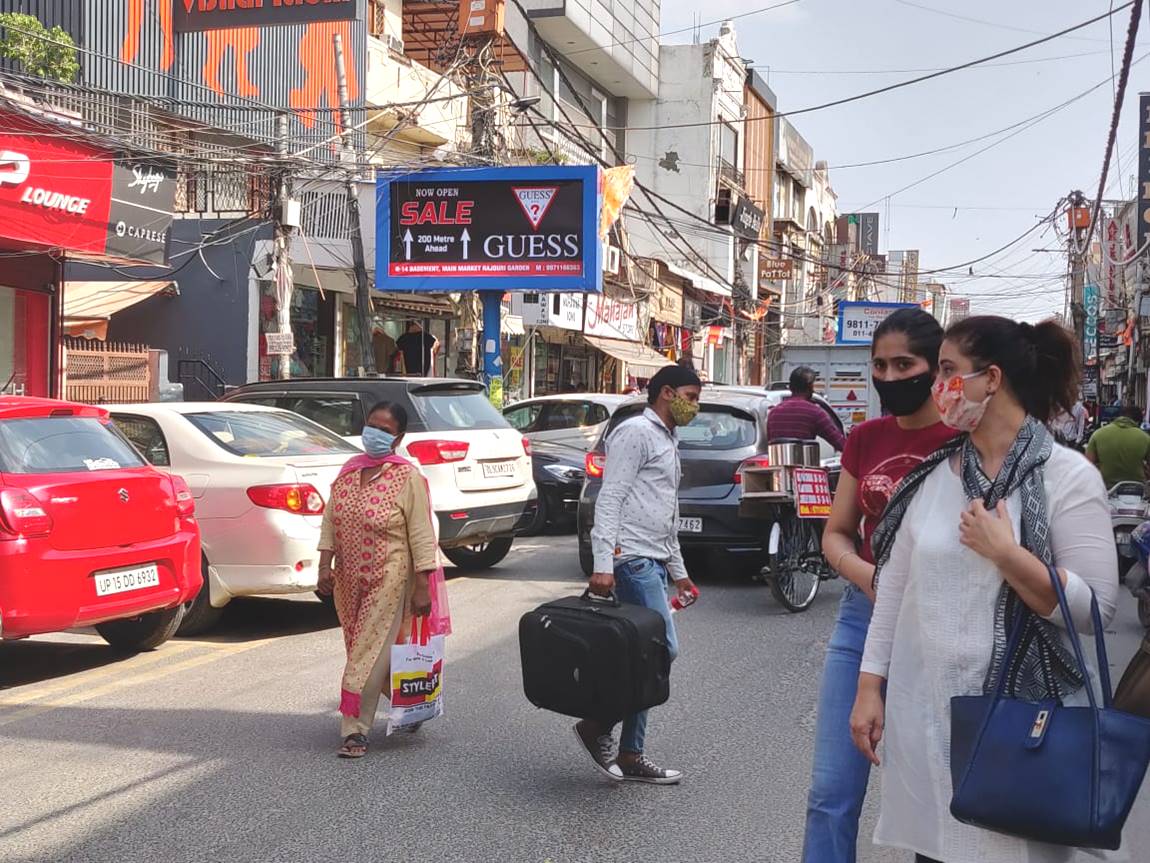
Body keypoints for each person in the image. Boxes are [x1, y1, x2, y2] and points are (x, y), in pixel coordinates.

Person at [849, 316, 1117, 863]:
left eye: (948, 370)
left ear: (991, 379)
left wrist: (1008, 555)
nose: (937, 387)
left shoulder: (1066, 477)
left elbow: (1096, 610)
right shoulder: (931, 481)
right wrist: (869, 687)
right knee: (938, 848)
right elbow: (893, 593)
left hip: (1026, 733)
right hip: (933, 719)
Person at [803, 309, 959, 863]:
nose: (889, 378)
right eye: (880, 366)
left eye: (904, 365)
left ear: (936, 368)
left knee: (938, 799)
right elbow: (836, 534)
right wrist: (869, 575)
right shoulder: (866, 438)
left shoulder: (965, 441)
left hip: (944, 628)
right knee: (830, 794)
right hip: (861, 619)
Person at [580, 364, 701, 785]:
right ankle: (600, 726)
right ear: (666, 393)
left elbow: (666, 512)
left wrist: (679, 573)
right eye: (691, 396)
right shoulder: (636, 432)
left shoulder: (668, 438)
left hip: (652, 559)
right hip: (631, 559)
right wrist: (602, 564)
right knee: (660, 651)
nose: (695, 406)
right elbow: (610, 497)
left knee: (644, 656)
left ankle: (629, 751)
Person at [317, 401, 439, 759]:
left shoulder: (407, 477)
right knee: (365, 651)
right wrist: (324, 566)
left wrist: (422, 585)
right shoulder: (349, 471)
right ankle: (411, 704)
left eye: (385, 430)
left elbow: (421, 534)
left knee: (363, 655)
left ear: (398, 438)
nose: (375, 434)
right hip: (348, 581)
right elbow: (330, 520)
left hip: (389, 578)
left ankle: (354, 730)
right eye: (372, 425)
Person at [767, 366, 847, 451]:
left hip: (778, 459)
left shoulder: (773, 413)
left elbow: (769, 444)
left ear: (790, 387)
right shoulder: (815, 412)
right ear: (810, 387)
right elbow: (841, 444)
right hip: (804, 459)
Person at [1085, 402, 1150, 489]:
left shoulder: (1097, 434)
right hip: (1137, 489)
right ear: (1138, 422)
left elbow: (1088, 465)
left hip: (1106, 488)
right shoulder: (1145, 438)